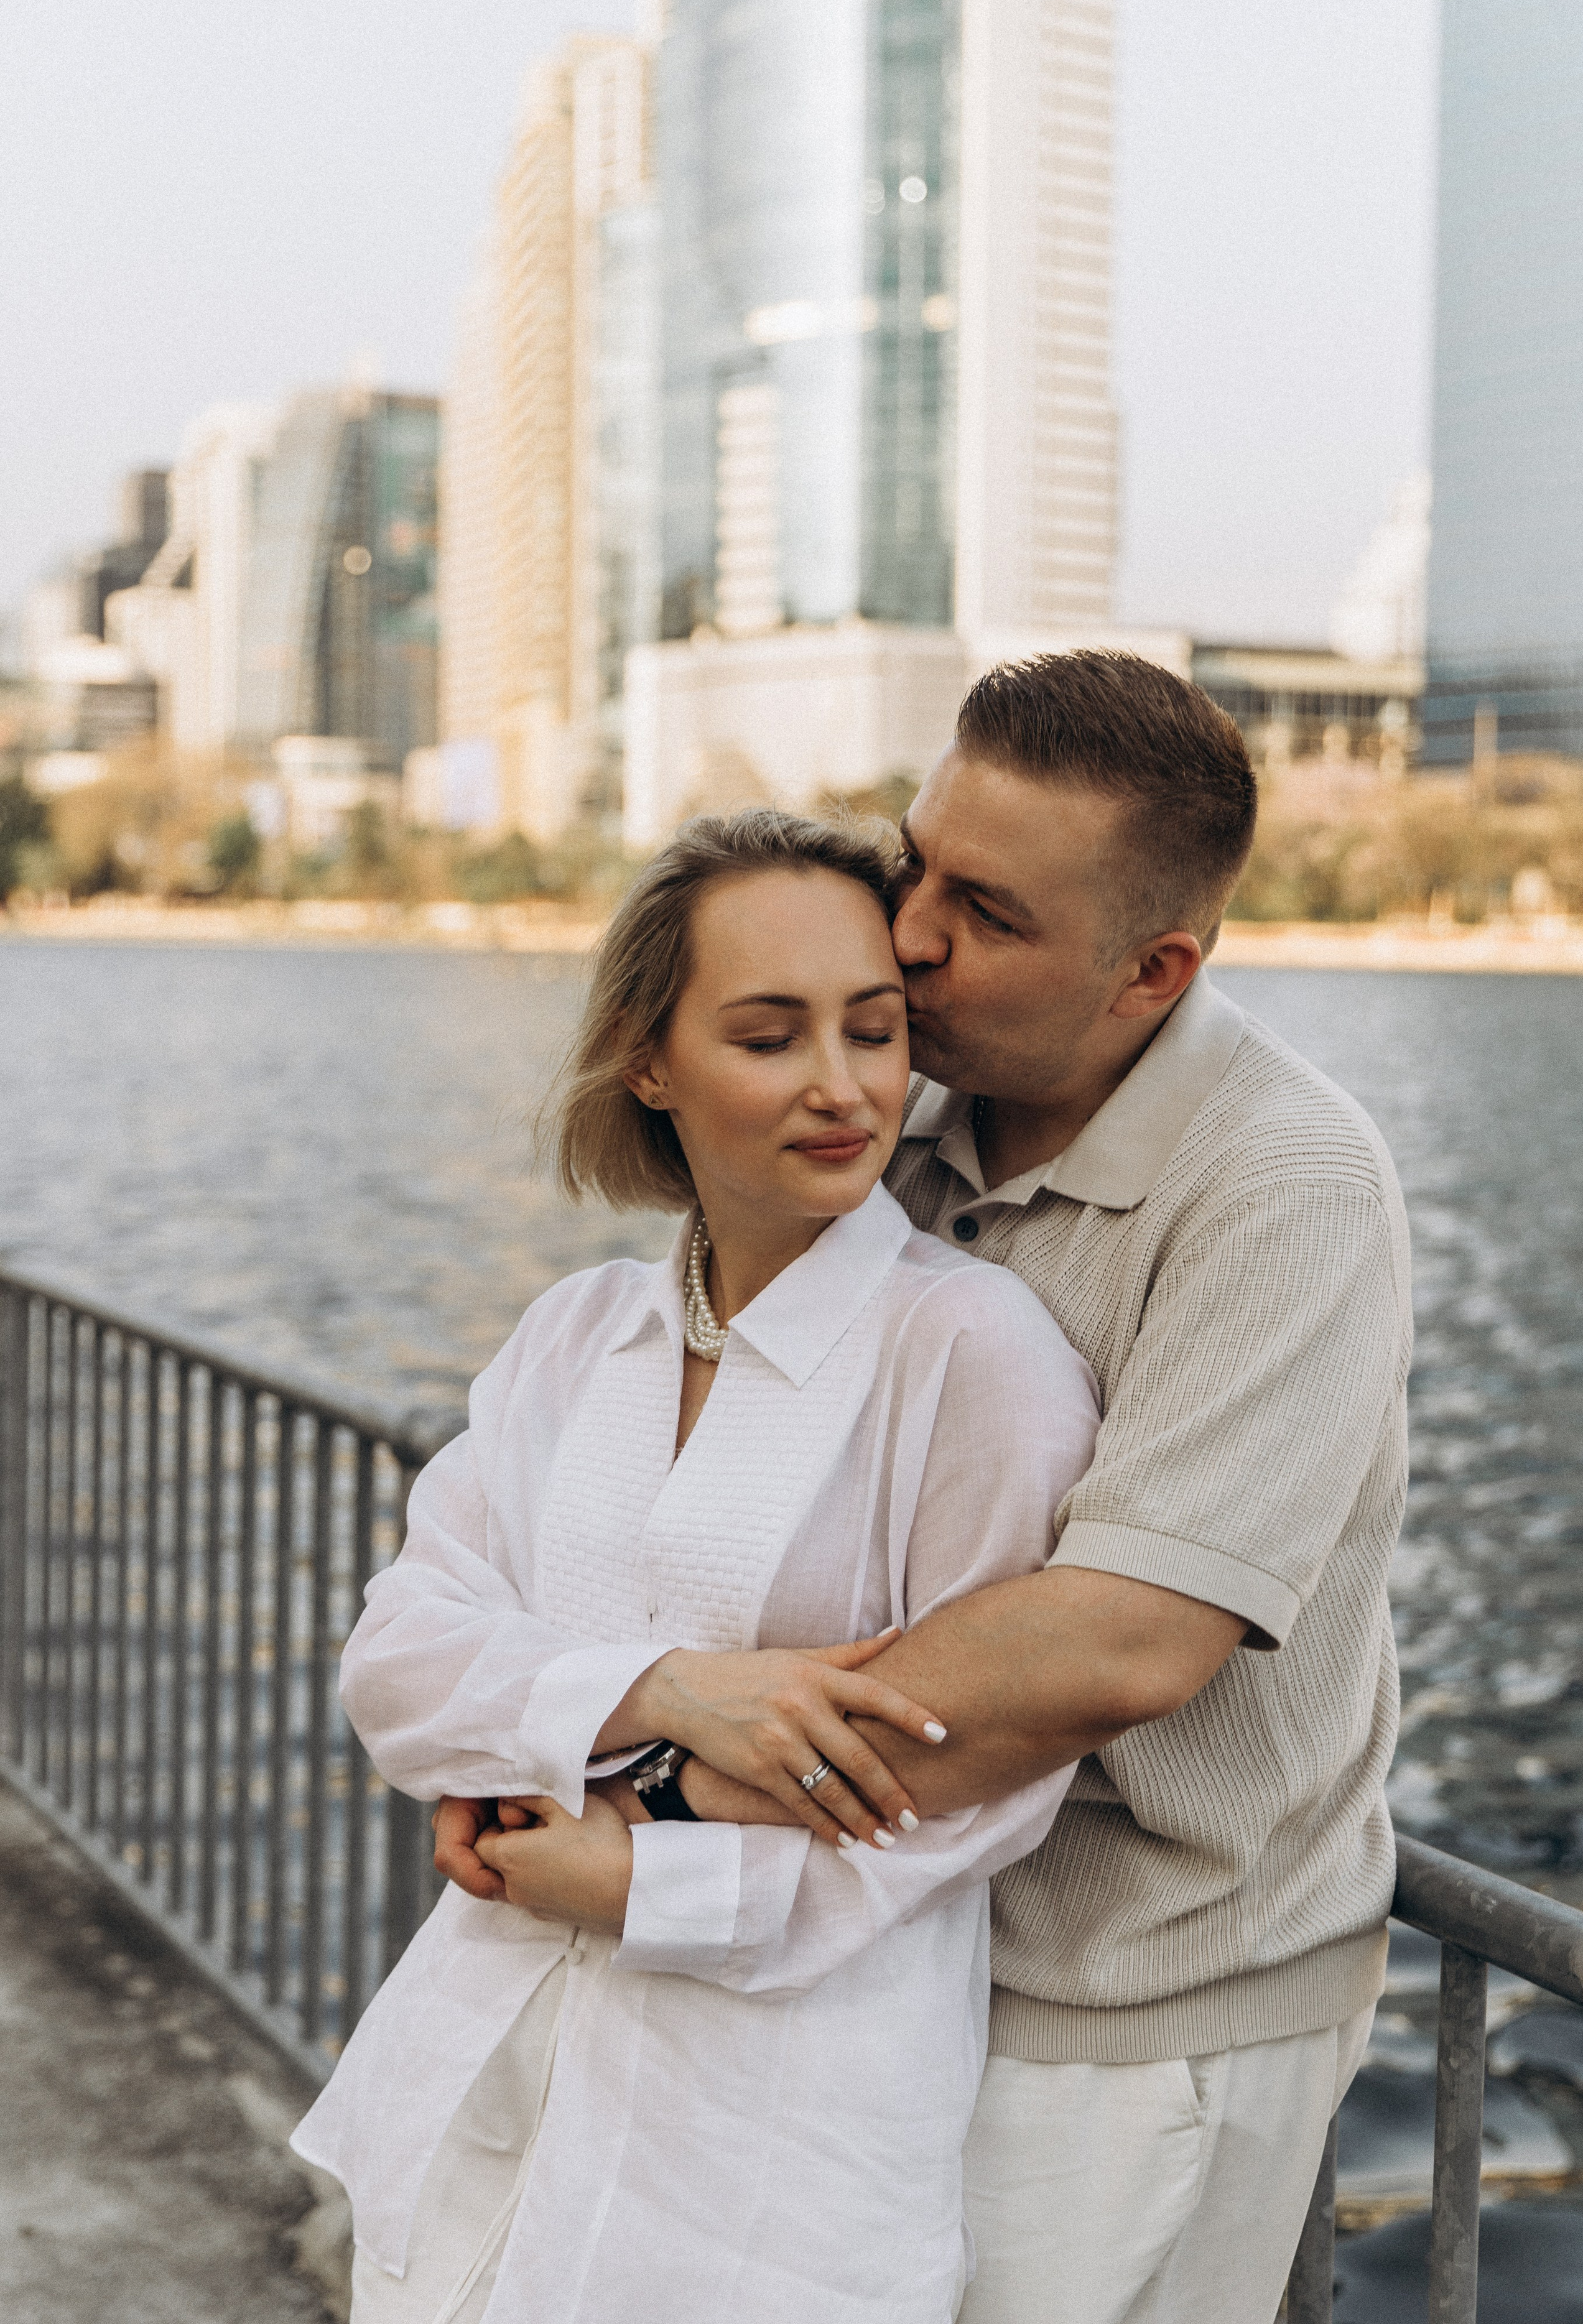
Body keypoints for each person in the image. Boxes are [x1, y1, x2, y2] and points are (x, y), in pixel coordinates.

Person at [437, 650, 1412, 2323]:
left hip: (1117, 2006)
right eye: (919, 866)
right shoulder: (912, 1098)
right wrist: (562, 1715)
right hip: (872, 1943)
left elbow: (1120, 1641)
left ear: (1153, 969)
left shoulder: (1288, 1184)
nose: (910, 938)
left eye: (989, 913)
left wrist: (649, 1787)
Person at [292, 809, 1100, 2324]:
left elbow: (969, 1783)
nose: (839, 1087)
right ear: (649, 1059)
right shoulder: (575, 1334)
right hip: (500, 2069)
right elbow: (398, 1659)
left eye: (872, 1032)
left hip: (774, 2146)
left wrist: (648, 1877)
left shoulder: (971, 1357)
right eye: (767, 1034)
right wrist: (666, 1693)